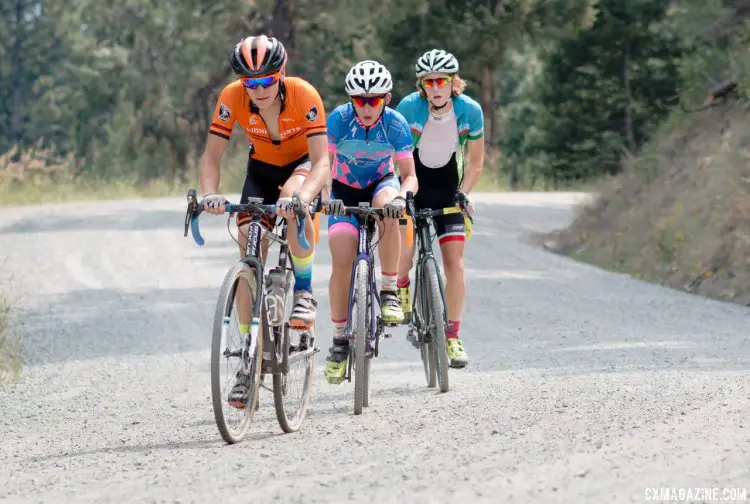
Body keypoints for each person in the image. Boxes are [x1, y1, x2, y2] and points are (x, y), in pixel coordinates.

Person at [198, 34, 330, 408]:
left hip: (302, 166)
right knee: (247, 248)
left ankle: (303, 291)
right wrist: (210, 193)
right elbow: (212, 157)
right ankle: (247, 364)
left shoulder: (304, 94)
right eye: (249, 83)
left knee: (290, 201)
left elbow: (323, 161)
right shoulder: (231, 97)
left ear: (281, 74)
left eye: (265, 81)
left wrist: (305, 197)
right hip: (261, 170)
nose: (257, 90)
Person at [293, 60, 419, 385]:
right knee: (341, 255)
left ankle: (389, 290)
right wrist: (324, 192)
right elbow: (324, 163)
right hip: (343, 191)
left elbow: (409, 176)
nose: (366, 107)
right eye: (360, 101)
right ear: (351, 100)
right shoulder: (337, 120)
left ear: (386, 98)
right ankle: (338, 340)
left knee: (390, 208)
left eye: (373, 100)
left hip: (381, 182)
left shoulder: (396, 124)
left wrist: (404, 195)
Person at [395, 48, 485, 369]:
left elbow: (475, 161)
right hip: (415, 184)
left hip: (448, 190)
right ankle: (401, 287)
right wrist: (402, 190)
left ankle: (452, 336)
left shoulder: (469, 110)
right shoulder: (409, 107)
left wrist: (464, 192)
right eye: (428, 82)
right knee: (404, 245)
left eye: (441, 81)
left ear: (452, 82)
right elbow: (399, 153)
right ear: (422, 85)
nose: (435, 87)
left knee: (455, 266)